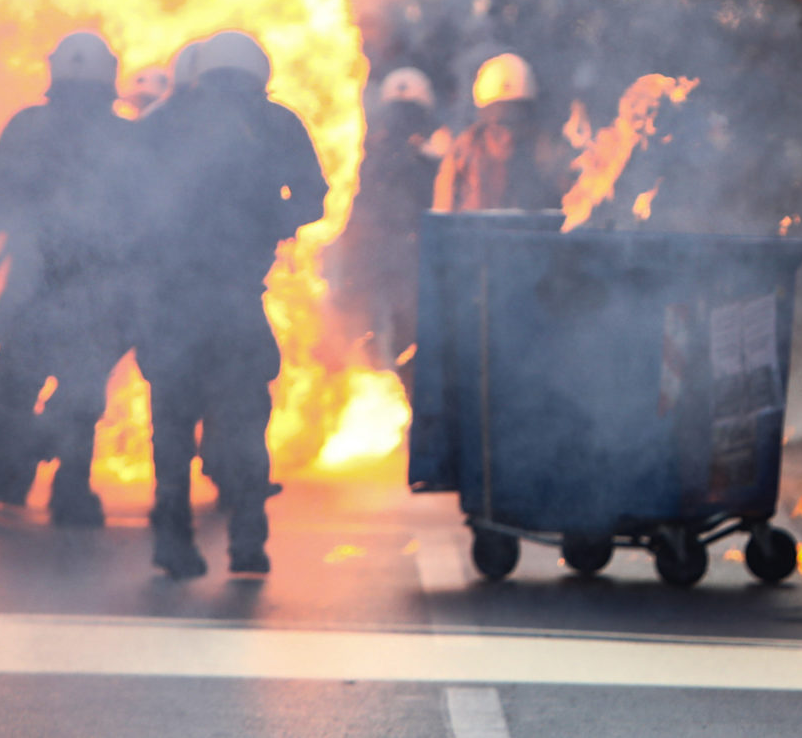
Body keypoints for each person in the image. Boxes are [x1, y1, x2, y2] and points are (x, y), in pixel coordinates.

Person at [137, 30, 326, 578]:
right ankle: (248, 542)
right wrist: (276, 222)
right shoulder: (275, 122)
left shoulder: (165, 121)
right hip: (236, 301)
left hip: (171, 304)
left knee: (171, 428)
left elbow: (121, 198)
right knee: (245, 425)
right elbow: (313, 196)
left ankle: (172, 540)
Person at [0, 32, 140, 526]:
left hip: (32, 285)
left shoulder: (26, 127)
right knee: (81, 391)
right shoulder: (125, 137)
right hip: (97, 292)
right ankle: (69, 493)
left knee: (11, 387)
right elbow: (146, 214)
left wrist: (20, 223)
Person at [335, 67, 445, 381]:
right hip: (408, 261)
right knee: (401, 347)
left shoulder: (363, 151)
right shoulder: (433, 153)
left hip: (379, 261)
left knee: (367, 344)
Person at [432, 53, 563, 212]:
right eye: (500, 124)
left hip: (475, 235)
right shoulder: (464, 148)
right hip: (493, 235)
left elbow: (443, 212)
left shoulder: (463, 147)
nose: (507, 135)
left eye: (515, 121)